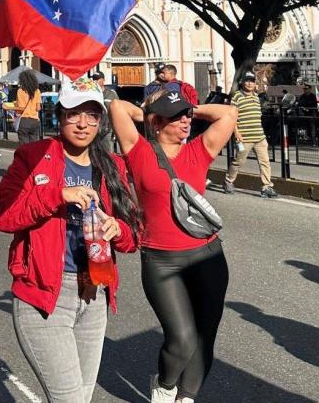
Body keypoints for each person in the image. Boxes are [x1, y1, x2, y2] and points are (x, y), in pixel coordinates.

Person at [0, 78, 139, 402]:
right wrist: (56, 195)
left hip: (94, 295)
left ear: (101, 120)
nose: (83, 123)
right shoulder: (32, 156)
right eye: (74, 113)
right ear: (59, 116)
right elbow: (4, 216)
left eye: (91, 114)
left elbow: (133, 238)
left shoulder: (112, 166)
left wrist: (118, 229)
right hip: (45, 298)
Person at [109, 90, 236, 403]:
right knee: (181, 339)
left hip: (208, 256)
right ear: (158, 122)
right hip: (161, 263)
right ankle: (165, 386)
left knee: (204, 337)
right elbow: (116, 107)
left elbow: (228, 115)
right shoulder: (138, 150)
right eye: (176, 116)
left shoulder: (198, 150)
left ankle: (188, 396)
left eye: (187, 116)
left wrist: (189, 106)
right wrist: (151, 111)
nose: (185, 121)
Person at [224, 73, 278, 198]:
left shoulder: (256, 97)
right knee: (239, 161)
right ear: (242, 83)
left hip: (259, 137)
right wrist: (236, 133)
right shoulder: (237, 96)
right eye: (247, 81)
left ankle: (267, 186)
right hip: (244, 138)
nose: (249, 83)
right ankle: (229, 181)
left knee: (265, 162)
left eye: (252, 81)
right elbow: (232, 116)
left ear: (255, 84)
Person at [13, 70, 42, 144]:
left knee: (24, 146)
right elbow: (38, 108)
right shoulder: (37, 91)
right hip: (35, 121)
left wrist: (13, 108)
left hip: (24, 120)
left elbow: (21, 107)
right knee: (34, 145)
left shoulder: (20, 91)